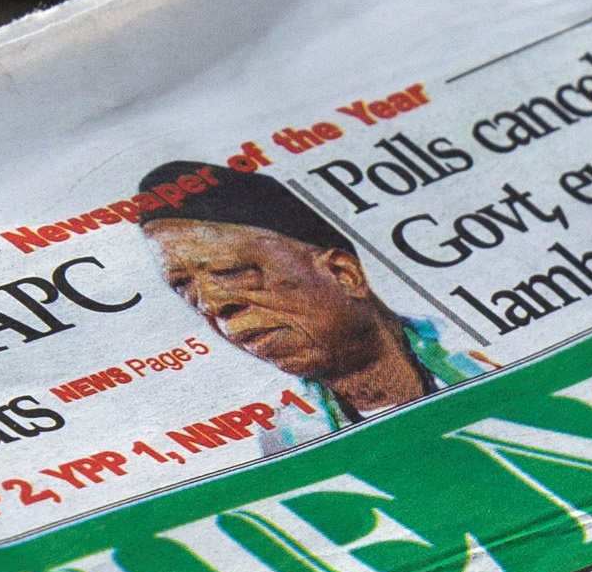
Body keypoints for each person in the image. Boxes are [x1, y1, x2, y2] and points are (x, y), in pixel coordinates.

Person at [125, 159, 473, 452]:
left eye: (232, 271)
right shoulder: (285, 439)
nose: (212, 304)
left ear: (343, 274)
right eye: (184, 287)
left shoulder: (476, 351)